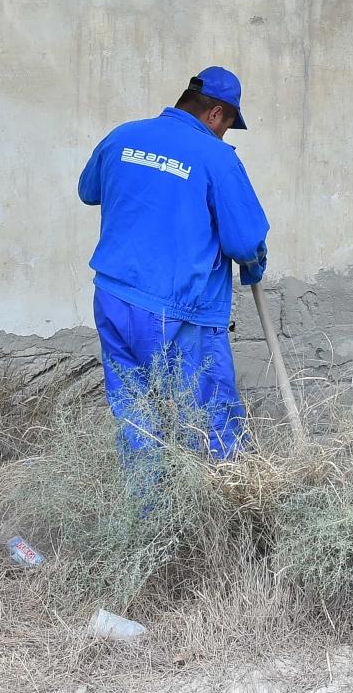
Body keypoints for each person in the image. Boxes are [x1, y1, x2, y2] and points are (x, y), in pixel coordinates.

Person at [78, 66, 269, 460]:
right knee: (209, 420)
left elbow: (88, 190)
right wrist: (254, 264)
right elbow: (246, 242)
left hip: (113, 298)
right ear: (215, 113)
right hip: (178, 310)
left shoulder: (122, 136)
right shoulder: (217, 157)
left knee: (137, 417)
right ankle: (223, 496)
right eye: (227, 126)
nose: (224, 135)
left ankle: (148, 498)